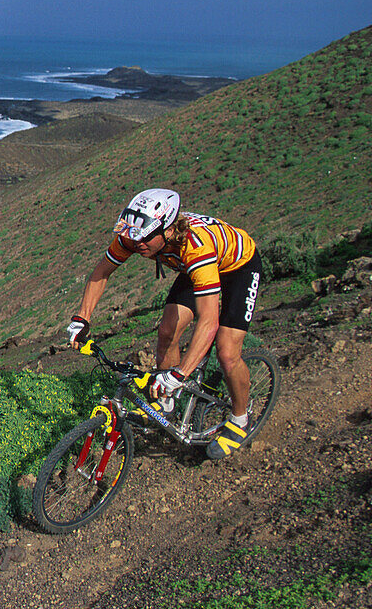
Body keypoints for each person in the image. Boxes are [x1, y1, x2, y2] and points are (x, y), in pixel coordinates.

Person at [66, 188, 263, 459]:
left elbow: (209, 321)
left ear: (168, 230)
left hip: (237, 268)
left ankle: (241, 418)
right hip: (193, 268)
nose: (137, 244)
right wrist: (81, 318)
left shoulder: (195, 246)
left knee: (227, 353)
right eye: (134, 237)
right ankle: (167, 403)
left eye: (145, 238)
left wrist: (179, 374)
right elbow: (101, 272)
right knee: (168, 329)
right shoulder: (134, 235)